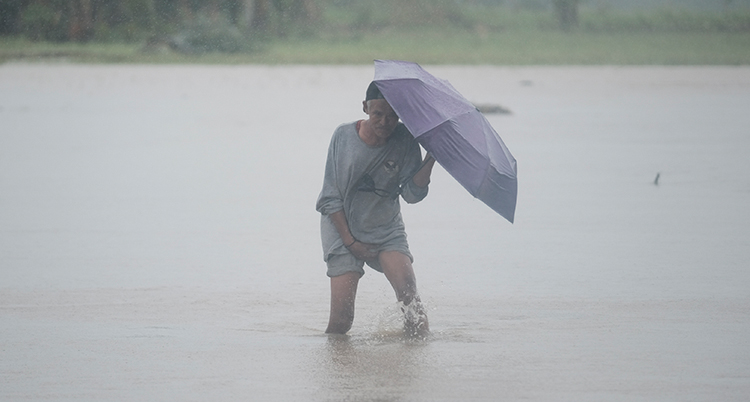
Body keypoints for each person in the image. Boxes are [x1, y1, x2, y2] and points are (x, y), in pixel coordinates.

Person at [316, 82, 436, 337]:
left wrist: (431, 159)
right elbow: (329, 198)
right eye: (378, 114)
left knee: (412, 306)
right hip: (341, 227)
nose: (385, 122)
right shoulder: (343, 136)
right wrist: (350, 242)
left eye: (393, 116)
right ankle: (335, 374)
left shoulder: (405, 140)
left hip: (385, 228)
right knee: (342, 321)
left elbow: (412, 195)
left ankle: (413, 369)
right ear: (365, 108)